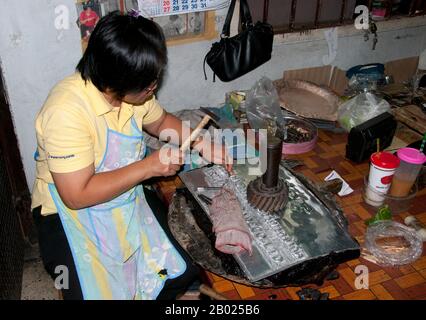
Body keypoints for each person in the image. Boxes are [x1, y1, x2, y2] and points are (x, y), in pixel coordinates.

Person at [32, 11, 231, 300]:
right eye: (148, 83)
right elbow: (76, 195)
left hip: (122, 193)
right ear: (115, 80)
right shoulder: (66, 112)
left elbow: (161, 123)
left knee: (184, 267)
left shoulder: (133, 95)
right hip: (68, 212)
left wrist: (200, 141)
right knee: (89, 292)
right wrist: (149, 167)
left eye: (155, 79)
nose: (154, 87)